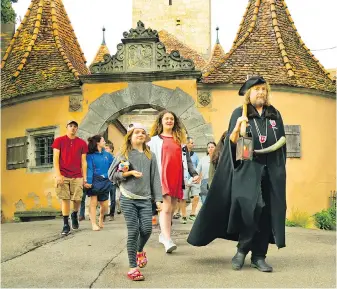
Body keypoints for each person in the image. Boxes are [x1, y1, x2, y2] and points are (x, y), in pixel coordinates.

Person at [187, 76, 287, 273]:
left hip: (272, 169)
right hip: (248, 167)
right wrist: (237, 130)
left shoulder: (275, 115)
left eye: (264, 90)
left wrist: (280, 170)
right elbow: (235, 147)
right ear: (249, 94)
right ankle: (242, 249)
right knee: (252, 207)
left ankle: (259, 256)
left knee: (267, 211)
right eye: (257, 89)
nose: (261, 93)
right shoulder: (239, 113)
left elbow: (281, 145)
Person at [108, 123, 162, 281]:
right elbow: (112, 175)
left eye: (143, 132)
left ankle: (139, 250)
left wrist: (158, 199)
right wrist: (129, 173)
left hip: (145, 199)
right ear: (130, 136)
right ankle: (133, 268)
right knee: (134, 231)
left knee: (146, 230)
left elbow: (155, 179)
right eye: (137, 132)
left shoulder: (150, 155)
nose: (140, 134)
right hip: (127, 197)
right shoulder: (124, 154)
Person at [148, 110, 200, 253]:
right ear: (161, 121)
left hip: (176, 177)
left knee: (171, 208)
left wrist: (194, 174)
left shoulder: (181, 142)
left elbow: (188, 161)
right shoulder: (153, 141)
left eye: (172, 119)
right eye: (167, 118)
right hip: (161, 177)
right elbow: (148, 160)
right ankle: (167, 239)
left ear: (175, 122)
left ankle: (164, 235)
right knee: (165, 207)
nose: (169, 121)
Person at [52, 120, 88, 236]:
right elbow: (56, 159)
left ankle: (74, 214)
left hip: (77, 175)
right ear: (67, 127)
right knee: (65, 198)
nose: (73, 128)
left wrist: (85, 177)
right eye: (70, 126)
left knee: (77, 199)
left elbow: (84, 162)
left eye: (75, 126)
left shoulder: (82, 143)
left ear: (77, 129)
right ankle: (65, 224)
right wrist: (58, 175)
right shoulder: (59, 141)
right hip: (63, 174)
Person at [85, 135, 114, 231]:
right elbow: (89, 168)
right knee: (93, 202)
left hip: (106, 180)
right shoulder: (90, 155)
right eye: (103, 140)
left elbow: (113, 165)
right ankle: (93, 223)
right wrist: (88, 181)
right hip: (94, 180)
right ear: (97, 142)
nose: (104, 142)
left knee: (104, 205)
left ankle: (101, 217)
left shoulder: (107, 155)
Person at [104, 140, 118, 221]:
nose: (105, 150)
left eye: (107, 148)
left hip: (112, 180)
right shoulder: (103, 157)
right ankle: (104, 214)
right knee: (104, 198)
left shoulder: (114, 158)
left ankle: (111, 214)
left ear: (111, 149)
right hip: (105, 180)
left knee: (113, 198)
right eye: (104, 148)